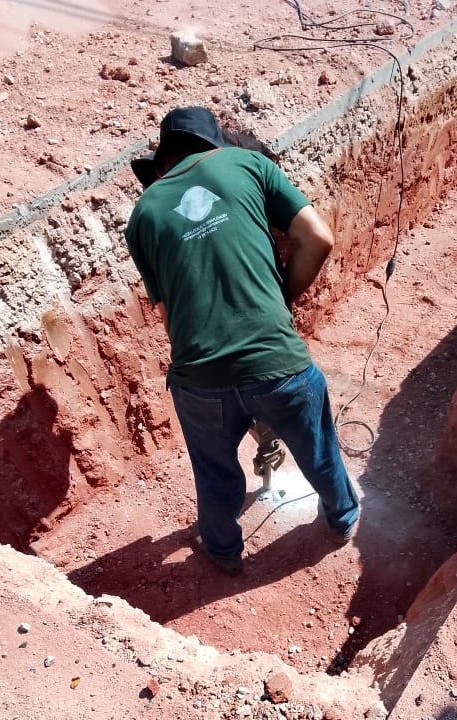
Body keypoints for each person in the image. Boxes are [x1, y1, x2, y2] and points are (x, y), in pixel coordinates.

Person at [125, 106, 360, 575]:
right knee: (317, 449)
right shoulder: (249, 164)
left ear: (160, 166)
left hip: (199, 379)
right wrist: (280, 301)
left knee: (214, 473)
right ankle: (342, 520)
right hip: (279, 365)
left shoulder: (143, 215)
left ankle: (223, 553)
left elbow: (172, 318)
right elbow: (319, 238)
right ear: (214, 146)